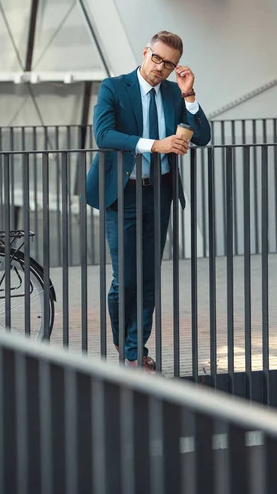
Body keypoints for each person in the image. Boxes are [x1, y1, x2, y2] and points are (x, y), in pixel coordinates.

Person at [86, 31, 211, 372]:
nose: (161, 67)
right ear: (145, 53)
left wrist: (190, 97)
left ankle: (134, 349)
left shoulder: (174, 93)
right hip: (122, 191)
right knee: (124, 276)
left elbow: (202, 136)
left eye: (169, 64)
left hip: (160, 190)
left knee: (147, 275)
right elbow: (103, 135)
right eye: (156, 58)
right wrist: (154, 144)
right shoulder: (114, 87)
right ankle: (123, 336)